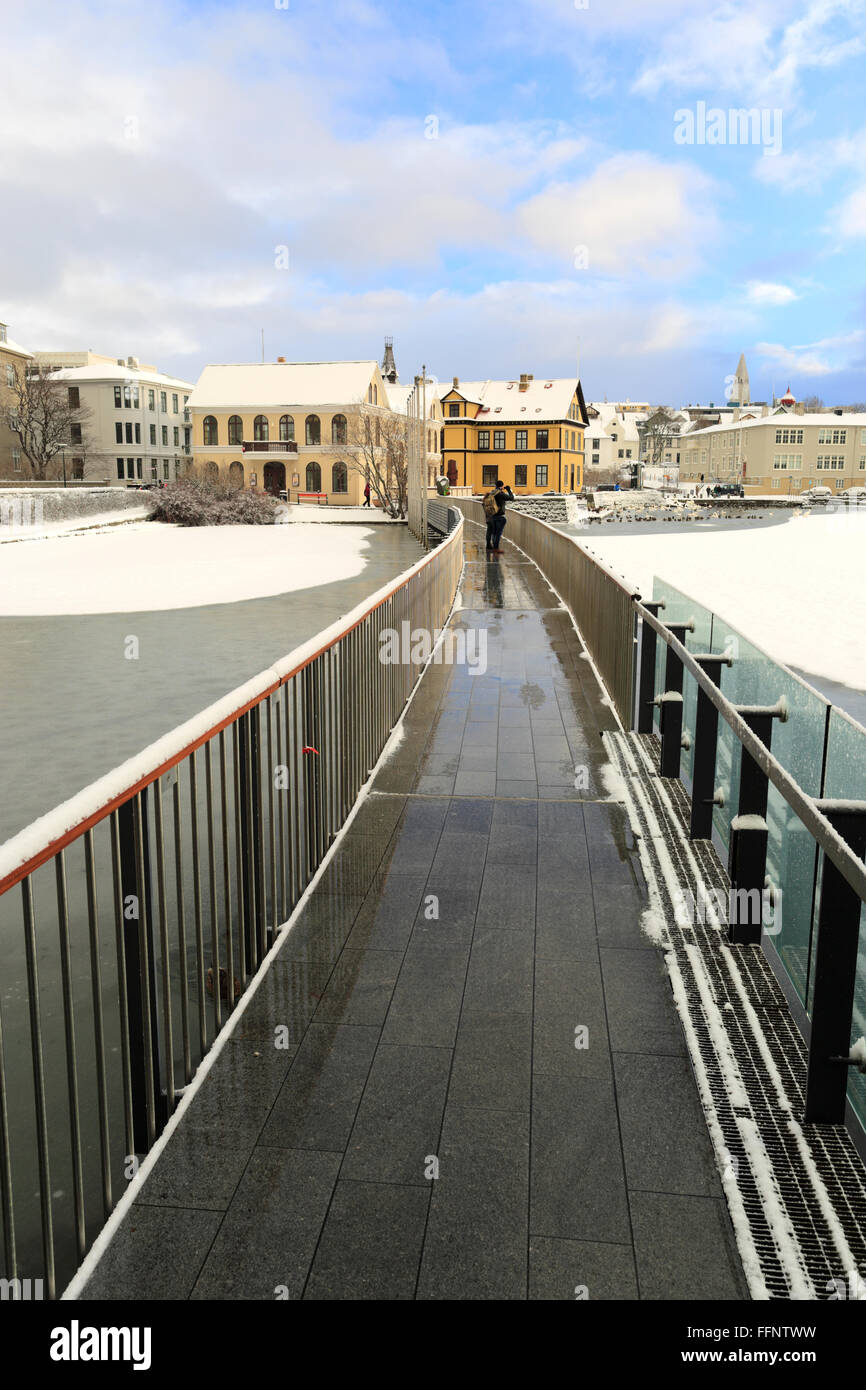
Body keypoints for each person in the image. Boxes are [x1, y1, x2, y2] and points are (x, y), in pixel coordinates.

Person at [485, 478, 514, 552]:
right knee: (498, 533)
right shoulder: (500, 494)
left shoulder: (492, 492)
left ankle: (489, 545)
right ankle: (496, 548)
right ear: (502, 486)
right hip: (498, 516)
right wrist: (508, 490)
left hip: (491, 515)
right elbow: (511, 498)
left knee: (492, 532)